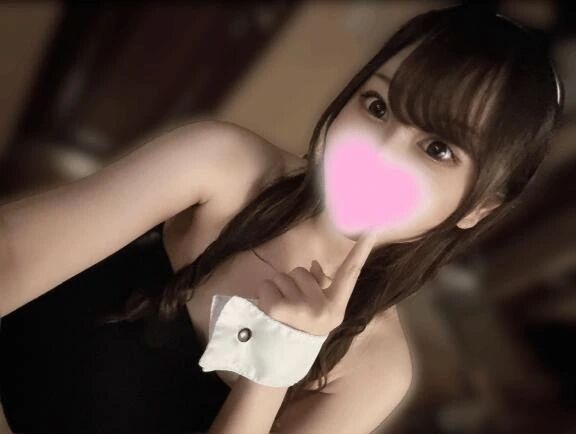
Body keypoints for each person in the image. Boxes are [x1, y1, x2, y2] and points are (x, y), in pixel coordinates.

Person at [0, 4, 564, 434]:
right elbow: (11, 256)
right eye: (377, 106)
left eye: (438, 148)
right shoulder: (219, 167)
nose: (379, 152)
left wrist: (277, 363)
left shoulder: (373, 368)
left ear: (481, 207)